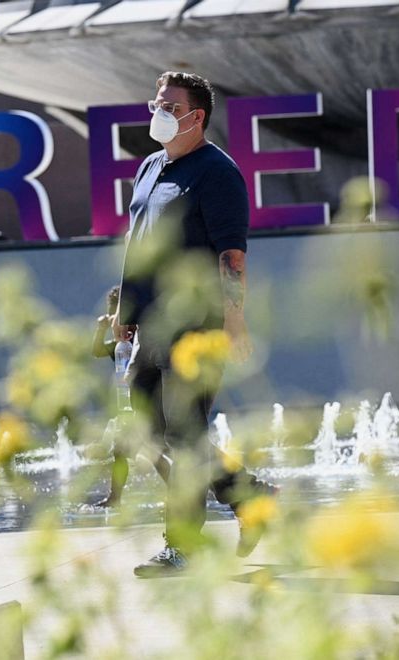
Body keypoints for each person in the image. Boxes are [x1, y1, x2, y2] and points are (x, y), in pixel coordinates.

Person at [117, 71, 277, 576]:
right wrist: (125, 308)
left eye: (169, 106)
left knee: (185, 435)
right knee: (150, 428)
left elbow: (232, 253)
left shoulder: (217, 173)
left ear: (196, 116)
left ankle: (182, 546)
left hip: (198, 323)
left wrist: (234, 320)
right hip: (152, 325)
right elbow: (139, 241)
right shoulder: (149, 167)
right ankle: (248, 495)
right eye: (156, 103)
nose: (157, 113)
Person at [90, 286, 167, 508]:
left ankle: (180, 492)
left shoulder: (140, 343)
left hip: (145, 405)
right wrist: (100, 329)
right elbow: (96, 351)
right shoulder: (120, 345)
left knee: (154, 451)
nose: (122, 325)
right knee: (122, 452)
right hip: (128, 408)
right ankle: (115, 497)